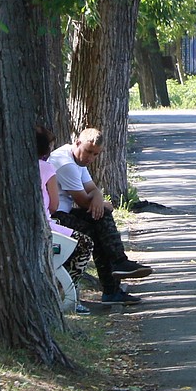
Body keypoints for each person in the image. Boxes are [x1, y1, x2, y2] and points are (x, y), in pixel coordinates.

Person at [49, 127, 151, 305]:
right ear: (77, 143)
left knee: (101, 216)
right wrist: (102, 202)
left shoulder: (79, 162)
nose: (90, 158)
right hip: (53, 216)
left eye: (96, 154)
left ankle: (118, 270)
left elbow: (93, 189)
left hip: (65, 212)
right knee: (98, 224)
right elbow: (83, 201)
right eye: (88, 152)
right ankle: (114, 281)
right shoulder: (66, 163)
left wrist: (98, 197)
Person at [37, 124, 92, 313]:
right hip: (46, 224)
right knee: (85, 244)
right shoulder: (46, 168)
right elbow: (53, 206)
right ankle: (69, 293)